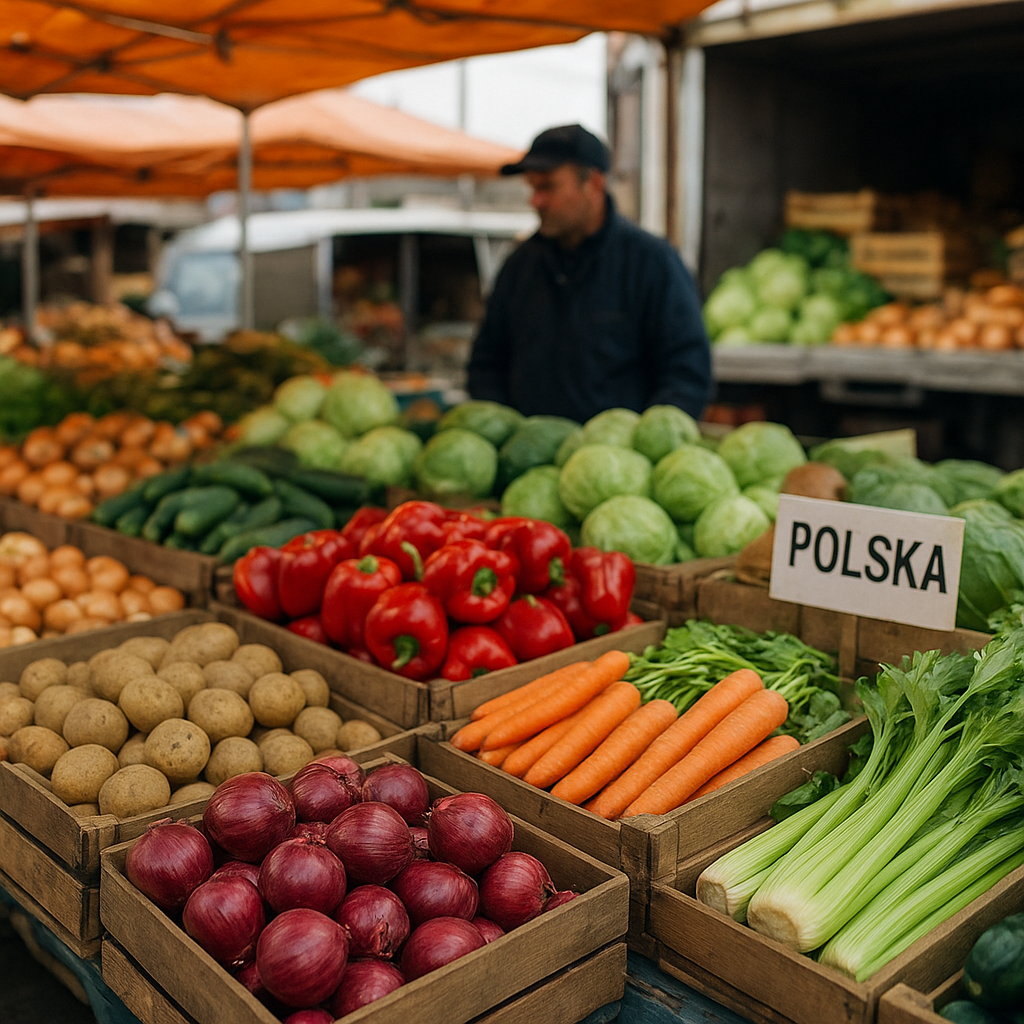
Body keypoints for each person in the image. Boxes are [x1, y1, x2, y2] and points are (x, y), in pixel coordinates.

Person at [467, 124, 712, 423]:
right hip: (530, 462)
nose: (535, 201)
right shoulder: (520, 266)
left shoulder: (652, 263)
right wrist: (504, 431)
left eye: (547, 187)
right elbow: (486, 362)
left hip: (618, 464)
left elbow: (686, 372)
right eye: (532, 189)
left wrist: (642, 447)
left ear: (594, 184)